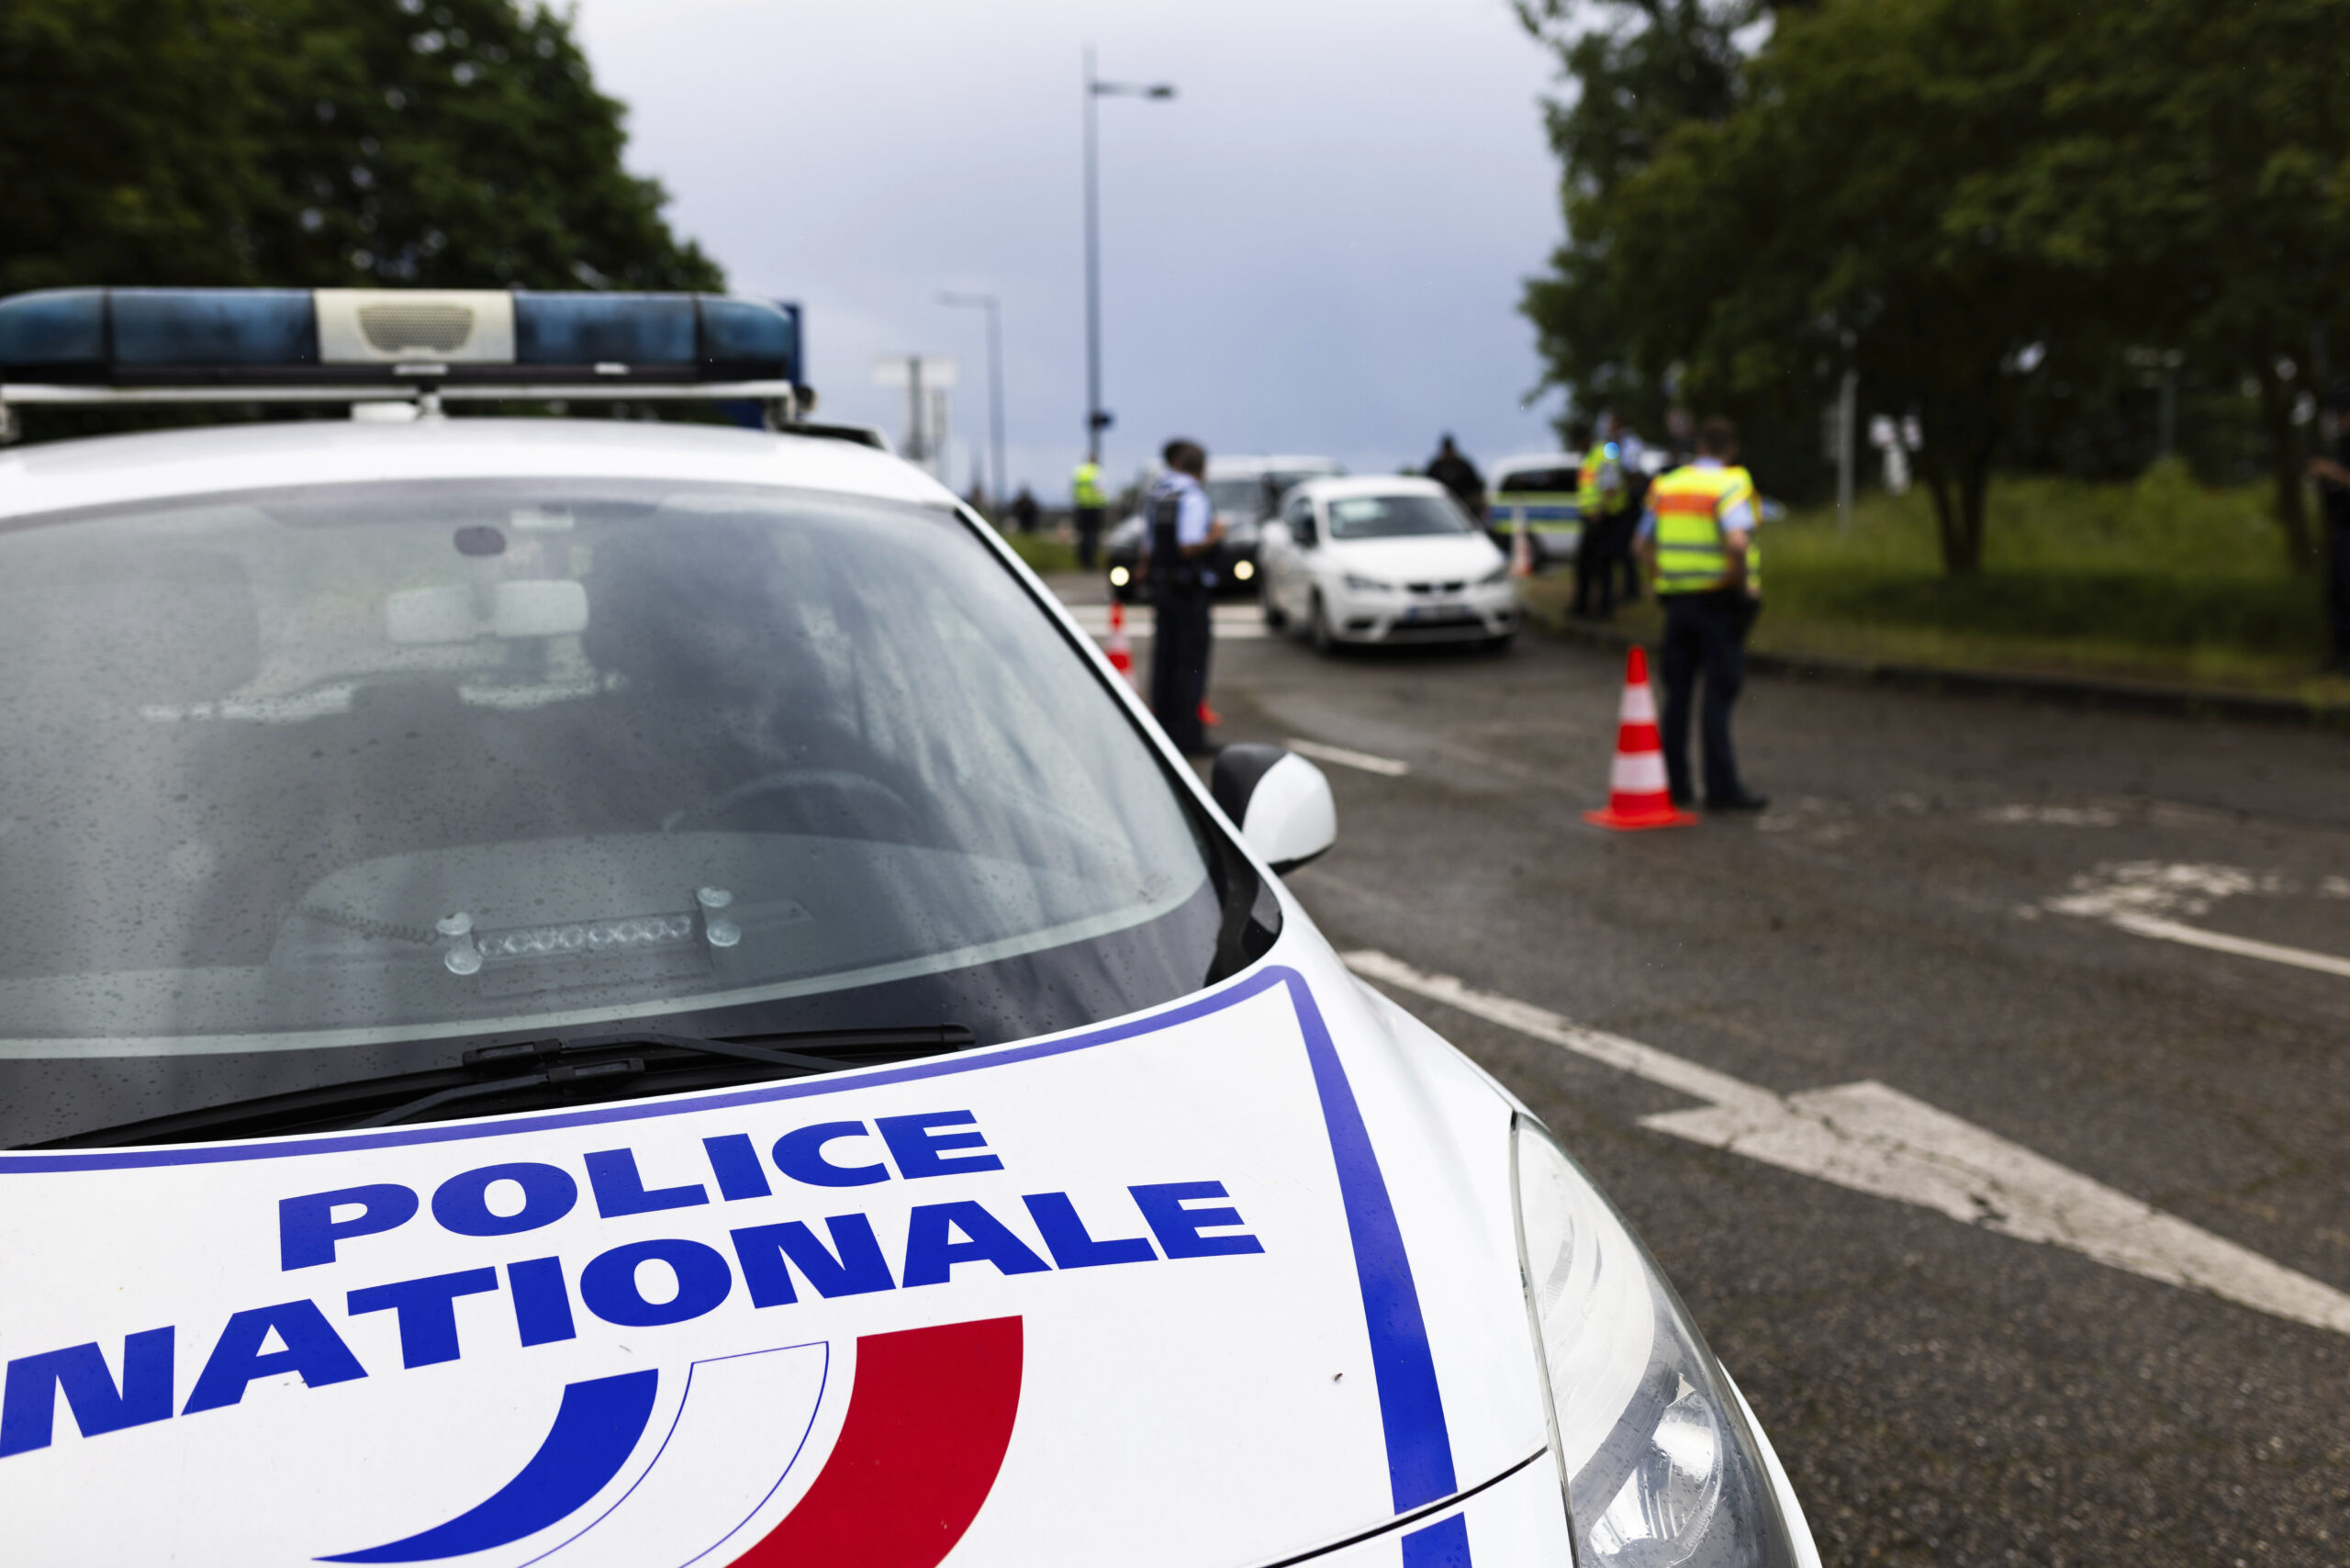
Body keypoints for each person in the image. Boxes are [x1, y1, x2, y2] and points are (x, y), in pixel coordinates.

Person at [1637, 416, 1768, 811]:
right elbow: (1739, 543)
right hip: (1717, 603)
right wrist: (1742, 587)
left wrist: (1663, 579)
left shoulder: (1665, 485)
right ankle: (1721, 788)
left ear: (1698, 445)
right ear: (1730, 449)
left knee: (1677, 695)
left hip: (1677, 605)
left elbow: (1640, 547)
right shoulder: (1731, 484)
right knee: (1717, 695)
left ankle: (1675, 785)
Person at [1139, 438, 1226, 754]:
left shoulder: (1157, 495)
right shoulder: (1193, 497)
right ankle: (1189, 737)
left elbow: (1148, 548)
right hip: (1189, 593)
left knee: (1165, 660)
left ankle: (1162, 731)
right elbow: (1188, 546)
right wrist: (1215, 535)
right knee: (1191, 665)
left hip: (1163, 589)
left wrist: (1145, 571)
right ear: (1200, 469)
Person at [2309, 383, 2350, 676]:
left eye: (2343, 413)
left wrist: (2331, 472)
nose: (2340, 420)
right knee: (2337, 592)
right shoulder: (2344, 446)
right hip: (2343, 529)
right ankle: (2340, 655)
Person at [1572, 418, 1627, 618]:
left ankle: (1604, 609)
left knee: (1602, 566)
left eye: (1578, 443)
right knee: (1585, 565)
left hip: (1603, 519)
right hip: (1592, 518)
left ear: (1586, 438)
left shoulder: (1605, 452)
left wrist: (1598, 510)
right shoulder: (1588, 457)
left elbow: (1611, 488)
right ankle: (1583, 606)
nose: (1577, 447)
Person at [1426, 434, 1485, 521]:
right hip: (1439, 508)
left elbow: (1476, 490)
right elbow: (1427, 485)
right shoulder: (1435, 467)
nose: (1448, 453)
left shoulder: (1464, 466)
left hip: (1463, 507)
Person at [1071, 458, 1107, 568]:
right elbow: (1100, 489)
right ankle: (1091, 562)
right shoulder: (1096, 472)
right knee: (1093, 535)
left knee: (1083, 535)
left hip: (1081, 507)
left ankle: (1083, 561)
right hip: (1094, 507)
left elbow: (1074, 488)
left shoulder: (1079, 471)